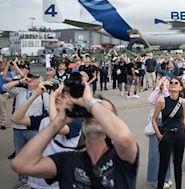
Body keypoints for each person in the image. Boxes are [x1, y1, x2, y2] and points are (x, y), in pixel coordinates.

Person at [11, 79, 139, 188]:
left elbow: (124, 139)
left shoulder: (121, 157)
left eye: (100, 110)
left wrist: (90, 102)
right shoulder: (67, 160)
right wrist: (57, 122)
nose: (93, 114)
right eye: (89, 112)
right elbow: (21, 165)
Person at [10, 83, 82, 189]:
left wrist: (52, 98)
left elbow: (57, 127)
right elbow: (16, 119)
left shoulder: (75, 119)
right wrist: (34, 95)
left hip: (60, 181)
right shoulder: (45, 119)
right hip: (38, 180)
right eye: (57, 95)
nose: (57, 98)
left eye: (62, 96)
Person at [3, 73, 50, 188]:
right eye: (30, 78)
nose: (31, 79)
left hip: (34, 129)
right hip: (17, 128)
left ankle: (36, 178)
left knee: (35, 154)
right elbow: (4, 87)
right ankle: (23, 179)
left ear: (40, 82)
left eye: (35, 78)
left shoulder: (44, 95)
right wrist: (20, 81)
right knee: (20, 154)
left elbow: (50, 111)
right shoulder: (20, 91)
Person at [152, 77, 185, 189]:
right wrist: (158, 134)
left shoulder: (183, 102)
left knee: (178, 165)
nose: (173, 84)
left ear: (180, 87)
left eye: (176, 83)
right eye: (171, 83)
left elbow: (183, 119)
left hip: (179, 135)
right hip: (167, 136)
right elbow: (154, 119)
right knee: (163, 165)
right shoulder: (162, 101)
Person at [146, 77, 172, 188]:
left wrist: (165, 89)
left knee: (166, 153)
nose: (164, 82)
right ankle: (154, 178)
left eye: (167, 81)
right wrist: (158, 88)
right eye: (163, 80)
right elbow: (150, 101)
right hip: (155, 123)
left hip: (166, 124)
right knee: (154, 154)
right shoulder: (157, 92)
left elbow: (168, 102)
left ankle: (167, 177)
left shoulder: (170, 93)